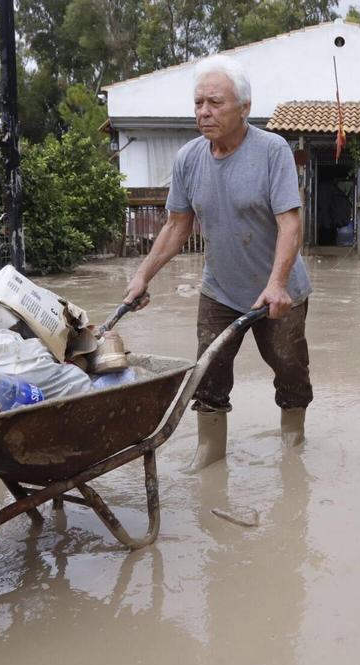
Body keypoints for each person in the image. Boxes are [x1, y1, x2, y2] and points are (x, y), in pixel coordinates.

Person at [122, 54, 313, 473]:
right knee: (207, 371)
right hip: (220, 290)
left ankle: (292, 443)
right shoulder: (189, 158)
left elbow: (290, 224)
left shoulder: (272, 151)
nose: (204, 112)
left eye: (215, 103)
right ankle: (210, 455)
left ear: (244, 107)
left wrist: (277, 283)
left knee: (289, 367)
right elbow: (176, 226)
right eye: (198, 103)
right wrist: (141, 276)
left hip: (278, 292)